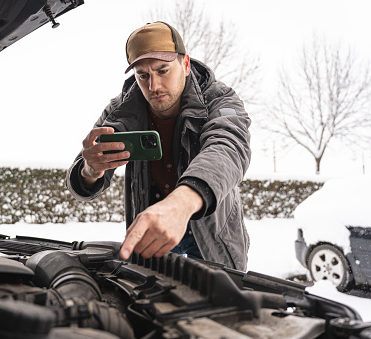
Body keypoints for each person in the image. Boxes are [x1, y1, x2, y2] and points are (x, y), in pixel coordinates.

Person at [65, 21, 251, 270]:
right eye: (143, 75)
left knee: (217, 304)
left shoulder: (220, 99)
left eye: (163, 71)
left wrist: (180, 204)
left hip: (211, 235)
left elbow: (228, 146)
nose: (153, 87)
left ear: (185, 64)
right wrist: (90, 170)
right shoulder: (119, 111)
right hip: (152, 231)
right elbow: (81, 181)